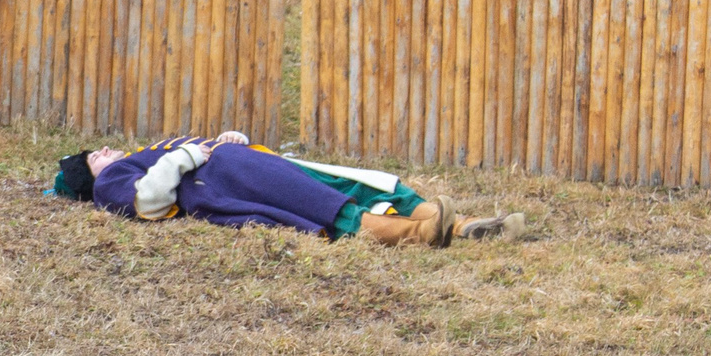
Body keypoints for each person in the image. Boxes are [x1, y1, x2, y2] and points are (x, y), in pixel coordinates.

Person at [53, 132, 523, 245]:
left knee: (343, 181)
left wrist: (225, 140)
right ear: (88, 177)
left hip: (245, 164)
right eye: (94, 156)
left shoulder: (135, 155)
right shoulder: (109, 184)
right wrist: (188, 157)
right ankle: (415, 233)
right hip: (230, 180)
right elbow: (147, 203)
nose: (106, 152)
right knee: (319, 199)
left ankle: (457, 225)